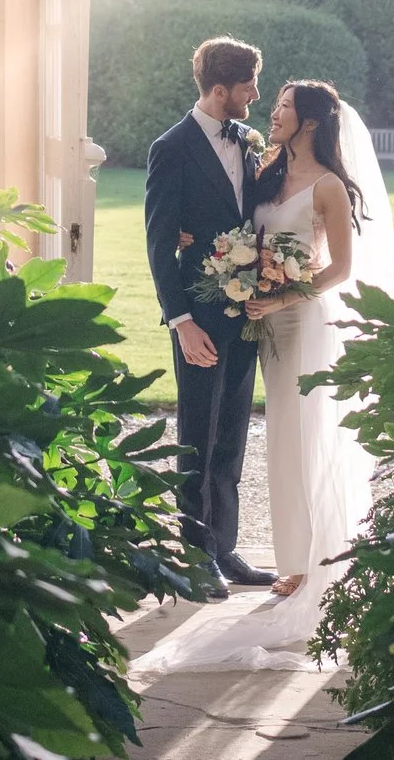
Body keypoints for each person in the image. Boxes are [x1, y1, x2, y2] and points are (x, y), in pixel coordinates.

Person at [131, 78, 394, 678]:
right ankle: (286, 560)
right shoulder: (267, 168)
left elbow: (341, 268)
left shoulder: (326, 184)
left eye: (280, 106)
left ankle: (319, 562)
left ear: (308, 122)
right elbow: (228, 219)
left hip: (300, 322)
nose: (268, 112)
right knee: (275, 439)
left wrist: (279, 297)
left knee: (307, 435)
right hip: (258, 325)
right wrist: (189, 237)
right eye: (263, 99)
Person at [142, 37, 271, 587]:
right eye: (248, 87)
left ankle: (227, 549)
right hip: (198, 318)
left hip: (246, 315)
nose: (256, 95)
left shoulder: (246, 140)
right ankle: (197, 561)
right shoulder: (171, 148)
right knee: (196, 437)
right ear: (221, 90)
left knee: (232, 437)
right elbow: (156, 243)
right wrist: (182, 322)